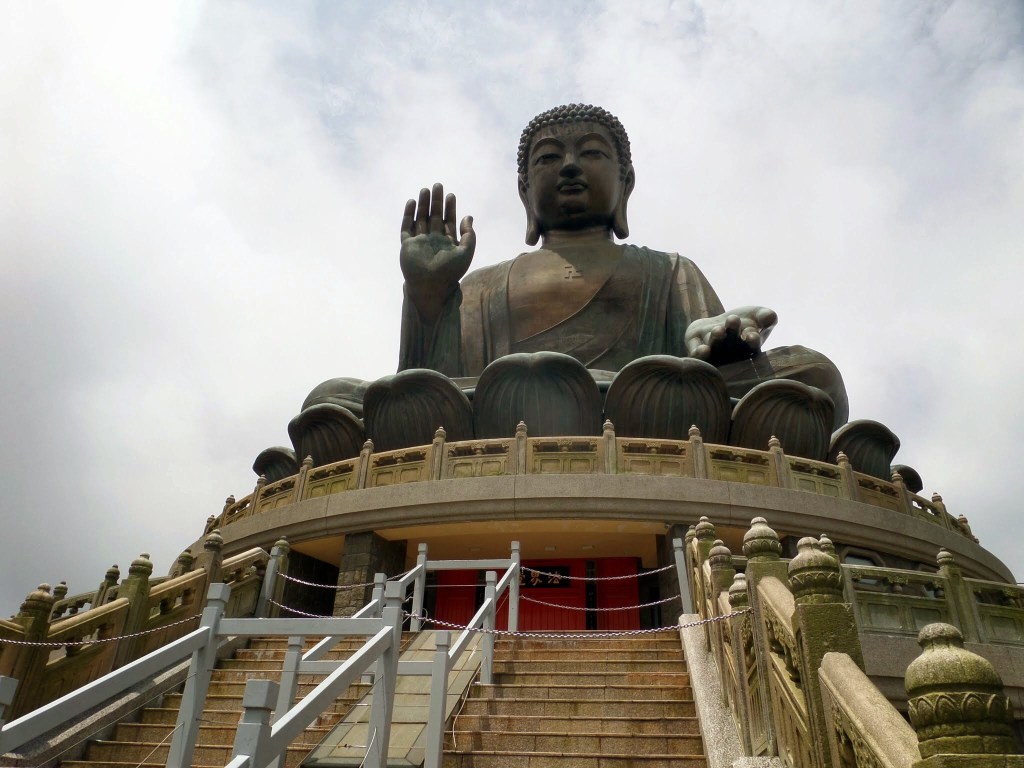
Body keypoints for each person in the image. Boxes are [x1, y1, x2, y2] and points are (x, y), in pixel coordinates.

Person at [397, 103, 848, 426]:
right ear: (524, 191)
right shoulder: (480, 286)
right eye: (549, 158)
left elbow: (704, 365)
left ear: (625, 183)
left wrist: (718, 343)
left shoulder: (669, 270)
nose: (569, 166)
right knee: (354, 398)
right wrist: (428, 295)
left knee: (814, 374)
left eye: (591, 153)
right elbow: (428, 384)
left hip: (646, 402)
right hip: (511, 409)